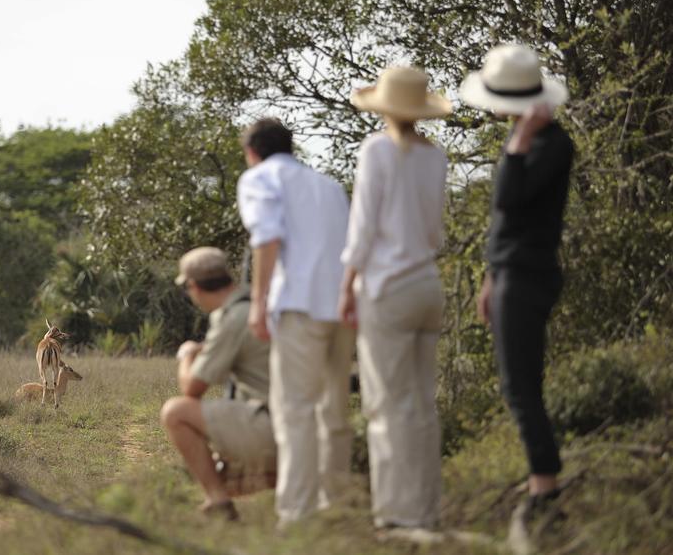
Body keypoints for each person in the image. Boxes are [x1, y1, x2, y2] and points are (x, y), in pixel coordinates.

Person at [460, 45, 573, 528]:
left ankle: (545, 488)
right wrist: (490, 277)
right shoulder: (527, 141)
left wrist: (518, 141)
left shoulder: (549, 144)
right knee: (518, 381)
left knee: (520, 384)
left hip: (528, 275)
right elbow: (505, 226)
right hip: (510, 273)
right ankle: (541, 481)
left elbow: (507, 199)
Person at [339, 67, 451, 530]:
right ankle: (425, 512)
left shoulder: (378, 149)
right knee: (421, 405)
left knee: (386, 407)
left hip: (388, 288)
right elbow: (432, 233)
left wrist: (346, 285)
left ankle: (394, 516)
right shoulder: (436, 156)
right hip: (427, 284)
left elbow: (363, 227)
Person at [236, 118, 354, 526]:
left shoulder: (259, 178)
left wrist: (258, 302)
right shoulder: (329, 185)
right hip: (342, 307)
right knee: (335, 411)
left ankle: (297, 513)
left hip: (298, 307)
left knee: (295, 411)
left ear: (252, 152)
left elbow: (266, 238)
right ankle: (335, 504)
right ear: (292, 147)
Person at [159, 246, 274, 521]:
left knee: (176, 412)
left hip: (272, 425)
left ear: (194, 286)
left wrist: (187, 355)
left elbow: (191, 389)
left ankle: (218, 501)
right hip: (301, 424)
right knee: (222, 475)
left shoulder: (231, 318)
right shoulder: (257, 303)